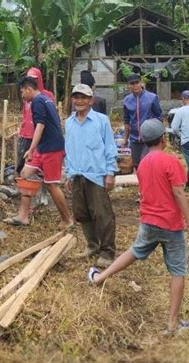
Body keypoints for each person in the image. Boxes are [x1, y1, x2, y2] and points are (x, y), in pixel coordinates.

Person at [88, 119, 189, 334]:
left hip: (149, 221)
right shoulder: (170, 162)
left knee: (134, 252)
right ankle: (172, 325)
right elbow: (178, 193)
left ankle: (99, 277)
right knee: (178, 271)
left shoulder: (143, 163)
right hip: (170, 224)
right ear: (164, 140)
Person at [4, 77, 73, 227]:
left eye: (22, 92)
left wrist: (31, 148)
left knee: (51, 184)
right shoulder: (45, 99)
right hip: (42, 148)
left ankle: (67, 220)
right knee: (24, 174)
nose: (22, 96)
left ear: (29, 89)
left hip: (52, 148)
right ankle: (23, 216)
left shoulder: (37, 102)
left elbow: (40, 126)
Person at [65, 84, 118, 266]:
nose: (79, 101)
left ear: (91, 100)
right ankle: (92, 244)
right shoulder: (69, 122)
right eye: (76, 97)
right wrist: (68, 174)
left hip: (96, 174)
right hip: (77, 173)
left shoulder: (101, 121)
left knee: (102, 214)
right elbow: (69, 149)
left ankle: (107, 252)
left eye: (83, 98)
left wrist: (110, 172)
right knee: (82, 212)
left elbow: (110, 147)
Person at [17, 67, 55, 173]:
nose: (32, 82)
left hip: (41, 135)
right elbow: (25, 114)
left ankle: (41, 186)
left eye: (34, 79)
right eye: (29, 79)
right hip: (26, 134)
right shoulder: (26, 96)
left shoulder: (47, 96)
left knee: (40, 164)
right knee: (22, 162)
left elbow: (49, 117)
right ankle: (21, 183)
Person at [122, 74, 162, 170]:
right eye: (132, 83)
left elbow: (159, 117)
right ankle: (141, 183)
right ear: (129, 85)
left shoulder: (152, 98)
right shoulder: (127, 100)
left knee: (146, 162)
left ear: (141, 83)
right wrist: (125, 138)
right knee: (137, 164)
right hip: (134, 137)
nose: (135, 85)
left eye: (137, 83)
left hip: (149, 137)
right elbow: (126, 120)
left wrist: (160, 136)